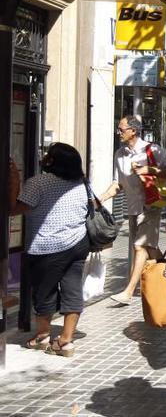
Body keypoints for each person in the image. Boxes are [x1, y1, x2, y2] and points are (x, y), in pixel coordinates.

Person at [8, 144, 90, 357]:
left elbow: (14, 209)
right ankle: (66, 340)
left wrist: (14, 179)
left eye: (48, 156)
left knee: (44, 292)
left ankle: (42, 336)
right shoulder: (81, 182)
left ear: (52, 162)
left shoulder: (38, 183)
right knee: (73, 289)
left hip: (47, 247)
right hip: (78, 243)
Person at [98, 116, 166, 305]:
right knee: (150, 248)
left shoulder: (154, 150)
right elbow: (118, 184)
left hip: (151, 206)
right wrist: (100, 199)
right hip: (133, 208)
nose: (118, 132)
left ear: (133, 131)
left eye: (121, 129)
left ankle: (128, 290)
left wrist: (150, 170)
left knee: (139, 246)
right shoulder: (120, 154)